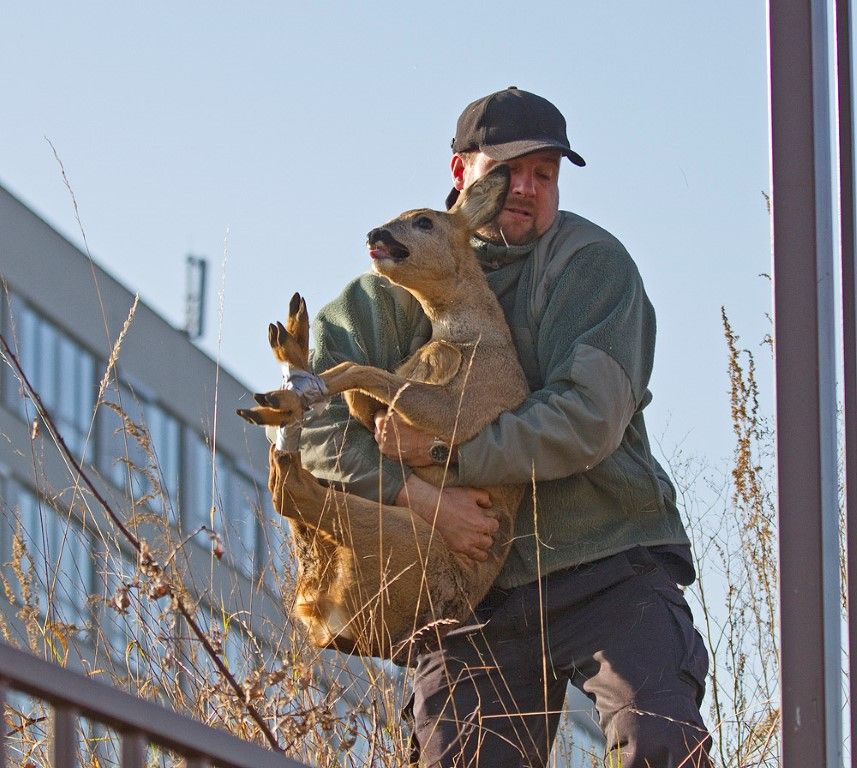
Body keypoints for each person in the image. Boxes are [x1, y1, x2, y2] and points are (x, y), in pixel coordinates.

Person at [298, 87, 712, 768]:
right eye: (505, 171)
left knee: (658, 741)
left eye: (542, 174)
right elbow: (311, 426)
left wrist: (446, 457)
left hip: (603, 559)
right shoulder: (383, 293)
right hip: (466, 591)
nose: (523, 189)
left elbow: (583, 420)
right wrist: (423, 497)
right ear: (461, 175)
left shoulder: (590, 266)